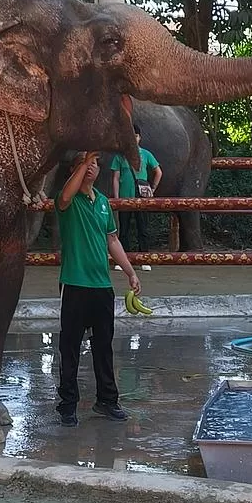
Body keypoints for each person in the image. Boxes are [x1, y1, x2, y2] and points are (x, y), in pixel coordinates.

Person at [55, 151, 140, 427]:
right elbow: (66, 196)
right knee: (69, 348)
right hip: (75, 284)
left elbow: (112, 240)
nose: (90, 167)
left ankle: (107, 400)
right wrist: (82, 160)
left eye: (93, 163)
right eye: (84, 163)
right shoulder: (66, 200)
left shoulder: (103, 202)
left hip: (102, 286)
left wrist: (129, 271)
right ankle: (67, 405)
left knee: (104, 347)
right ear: (74, 168)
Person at [110, 126, 162, 266]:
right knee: (124, 230)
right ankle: (123, 260)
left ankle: (144, 258)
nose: (134, 138)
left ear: (140, 137)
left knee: (143, 229)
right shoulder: (119, 157)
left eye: (136, 135)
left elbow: (158, 171)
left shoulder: (146, 154)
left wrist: (152, 189)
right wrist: (116, 197)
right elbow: (116, 177)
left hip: (142, 198)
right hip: (124, 197)